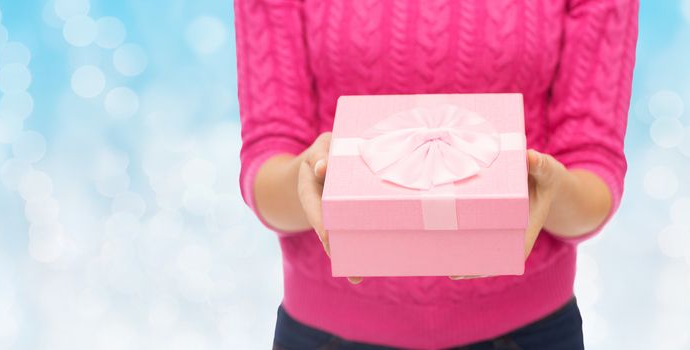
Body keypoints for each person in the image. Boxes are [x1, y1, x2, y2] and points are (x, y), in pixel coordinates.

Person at [234, 0, 638, 349]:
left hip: (528, 332)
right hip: (326, 333)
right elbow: (268, 161)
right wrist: (306, 176)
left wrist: (548, 187)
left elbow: (593, 172)